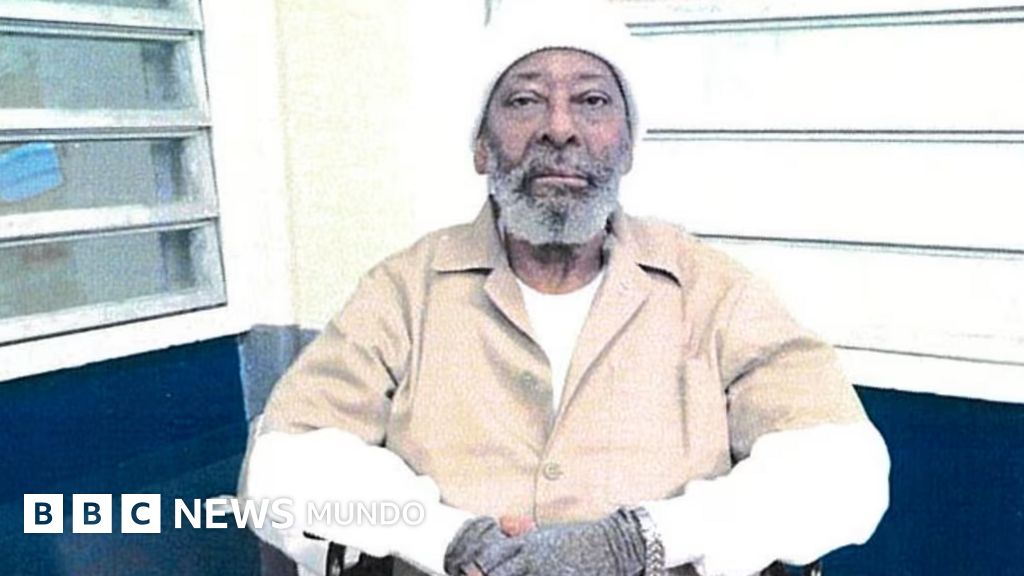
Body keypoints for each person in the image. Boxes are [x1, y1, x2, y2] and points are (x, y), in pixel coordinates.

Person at [240, 2, 890, 575]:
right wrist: (448, 538)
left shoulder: (713, 291)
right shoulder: (405, 291)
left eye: (592, 100)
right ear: (482, 147)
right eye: (524, 100)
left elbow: (844, 469)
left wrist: (639, 542)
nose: (559, 128)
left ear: (627, 146)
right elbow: (281, 470)